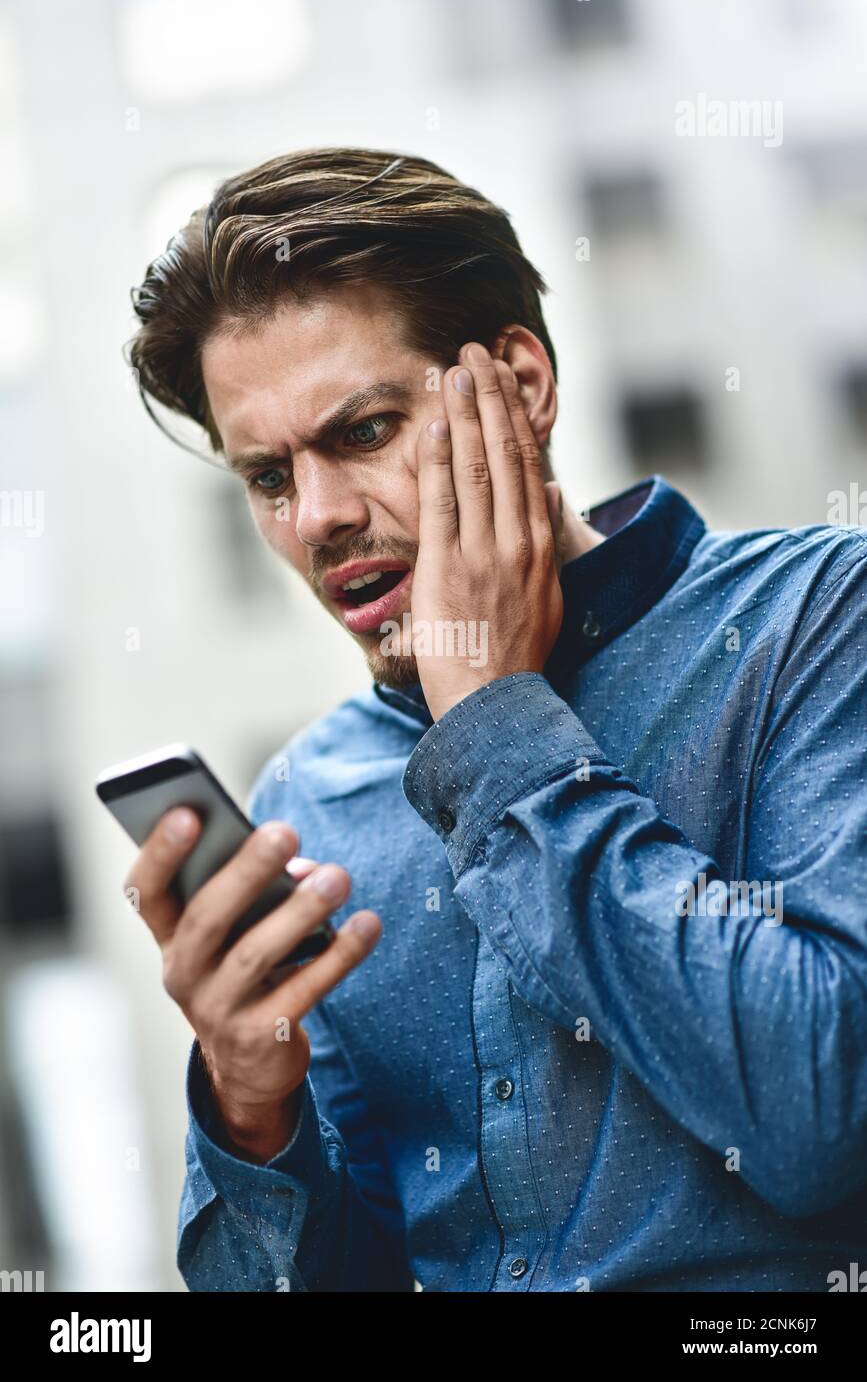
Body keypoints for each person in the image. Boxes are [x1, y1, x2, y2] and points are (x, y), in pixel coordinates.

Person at [124, 147, 867, 1291]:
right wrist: (249, 1107)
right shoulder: (306, 805)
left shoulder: (817, 624)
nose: (317, 516)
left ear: (519, 384)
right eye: (269, 477)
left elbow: (825, 1113)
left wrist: (489, 720)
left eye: (363, 432)